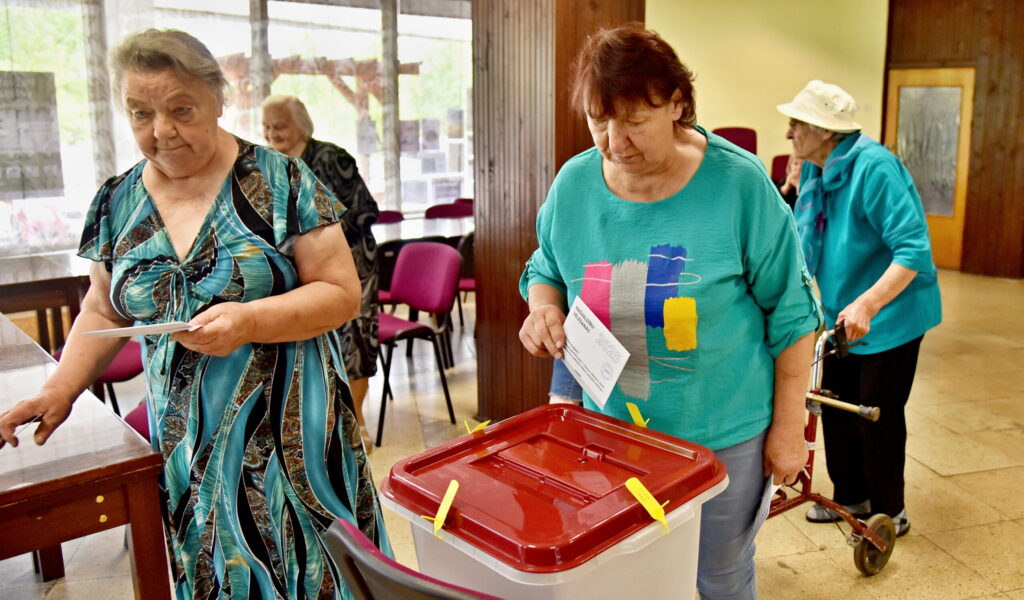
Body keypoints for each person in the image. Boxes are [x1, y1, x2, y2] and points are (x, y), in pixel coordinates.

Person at [0, 29, 390, 598]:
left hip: (294, 432)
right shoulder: (117, 201)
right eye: (140, 113)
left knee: (319, 574)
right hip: (191, 441)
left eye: (180, 109)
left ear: (217, 99)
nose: (161, 130)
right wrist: (60, 388)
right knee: (219, 572)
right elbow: (104, 311)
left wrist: (250, 321)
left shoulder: (280, 181)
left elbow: (339, 293)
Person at [518, 23, 822, 599]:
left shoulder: (739, 185)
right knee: (627, 572)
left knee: (718, 577)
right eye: (598, 120)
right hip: (610, 430)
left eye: (635, 120)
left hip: (721, 434)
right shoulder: (575, 183)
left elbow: (793, 312)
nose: (615, 141)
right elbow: (546, 269)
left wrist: (789, 429)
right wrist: (544, 310)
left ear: (678, 105)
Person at [778, 80, 942, 536]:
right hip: (841, 312)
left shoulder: (875, 168)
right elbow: (800, 234)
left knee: (876, 411)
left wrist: (868, 303)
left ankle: (890, 509)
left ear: (824, 130)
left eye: (796, 124)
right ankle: (850, 495)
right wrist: (790, 188)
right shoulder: (814, 168)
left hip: (890, 310)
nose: (789, 133)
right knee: (835, 404)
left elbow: (913, 249)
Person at [261, 95, 380, 450]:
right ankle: (324, 421)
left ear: (301, 124)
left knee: (354, 343)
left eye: (279, 125)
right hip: (299, 270)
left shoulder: (331, 157)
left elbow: (365, 211)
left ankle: (357, 424)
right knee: (314, 341)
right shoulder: (269, 164)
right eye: (266, 126)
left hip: (355, 265)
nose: (271, 134)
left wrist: (319, 238)